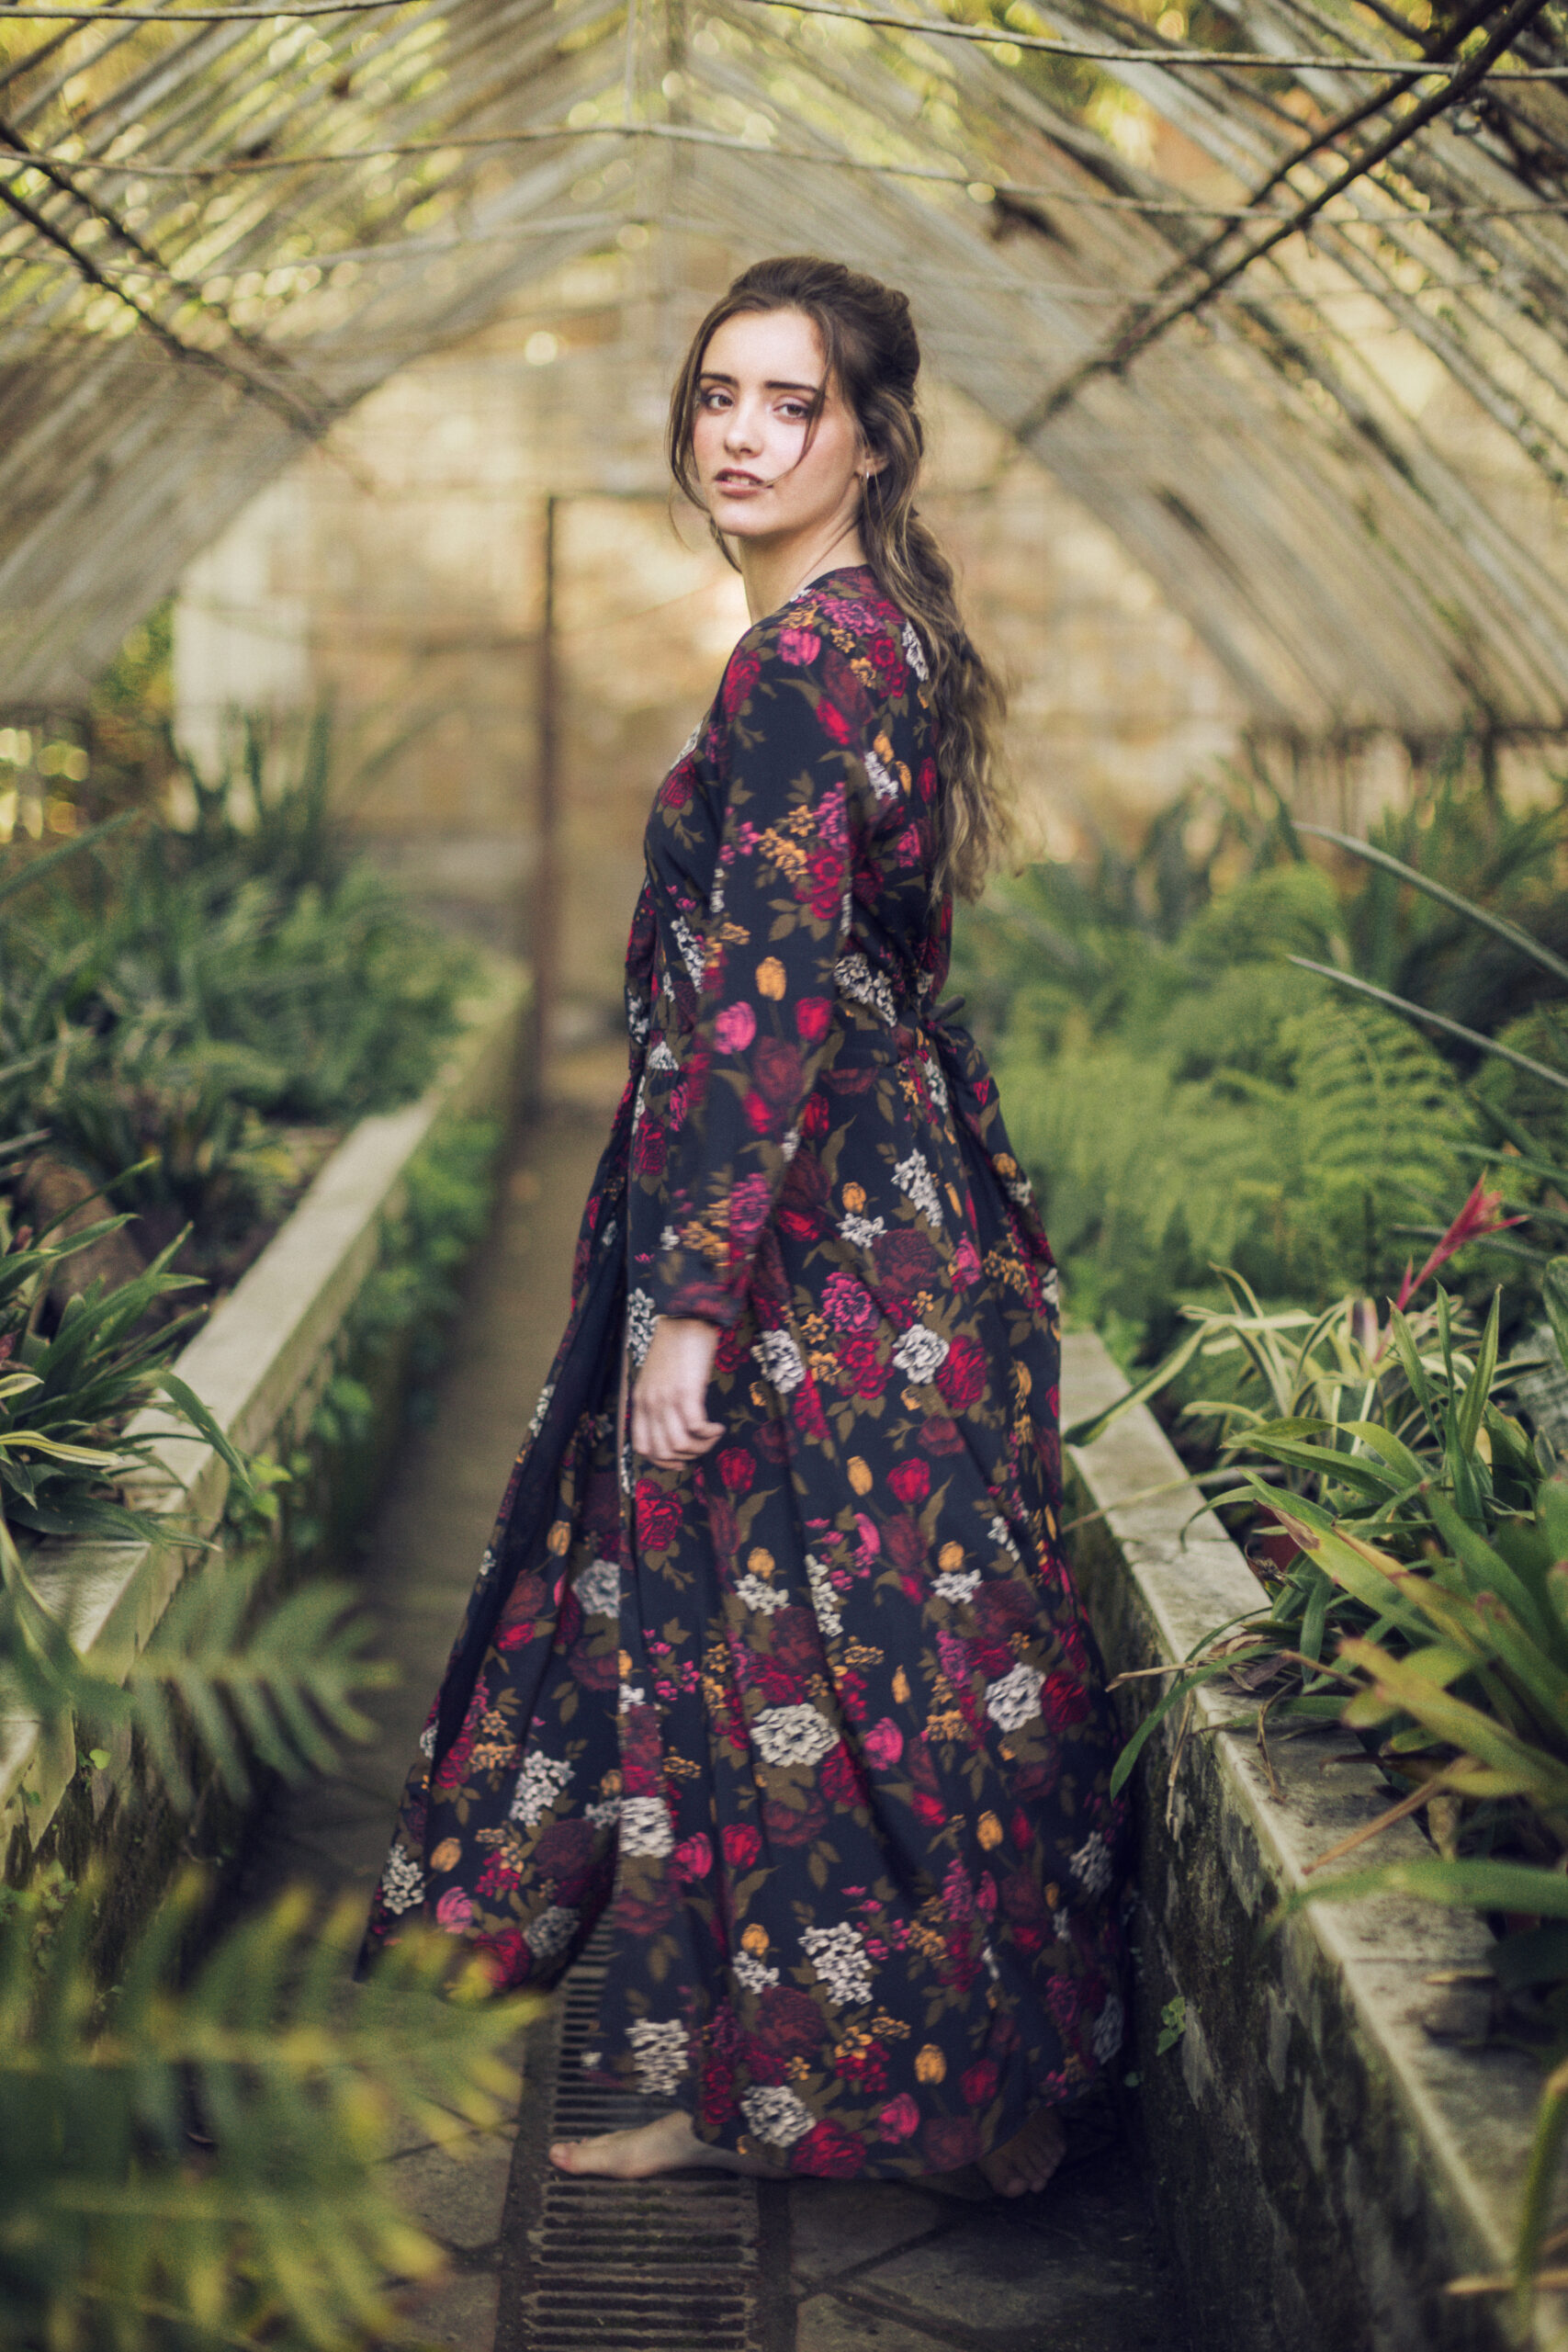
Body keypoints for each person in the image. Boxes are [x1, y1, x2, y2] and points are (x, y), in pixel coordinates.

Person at [362, 254, 1127, 2198]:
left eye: (788, 402)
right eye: (717, 393)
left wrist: (692, 1304)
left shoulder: (800, 666)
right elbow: (864, 969)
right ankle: (946, 2086)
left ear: (867, 436)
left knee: (775, 1663)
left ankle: (801, 2097)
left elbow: (772, 987)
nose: (738, 432)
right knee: (890, 1653)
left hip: (801, 1245)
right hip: (888, 1220)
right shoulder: (886, 642)